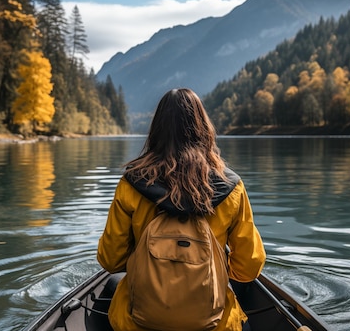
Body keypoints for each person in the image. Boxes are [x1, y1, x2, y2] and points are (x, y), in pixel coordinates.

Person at [97, 88, 266, 331]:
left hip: (136, 324)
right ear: (203, 128)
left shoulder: (130, 184)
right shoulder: (232, 188)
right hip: (214, 325)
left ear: (156, 130)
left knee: (113, 284)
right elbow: (249, 266)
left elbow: (111, 260)